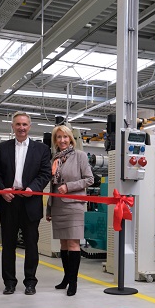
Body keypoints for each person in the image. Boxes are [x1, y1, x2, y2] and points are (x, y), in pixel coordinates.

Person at [0, 112, 51, 295]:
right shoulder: (2, 148)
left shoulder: (41, 149)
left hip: (30, 201)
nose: (21, 128)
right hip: (8, 201)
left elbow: (45, 173)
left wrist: (32, 188)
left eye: (24, 124)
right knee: (8, 245)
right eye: (18, 124)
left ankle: (30, 282)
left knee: (31, 244)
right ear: (12, 126)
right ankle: (9, 282)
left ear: (30, 126)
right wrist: (3, 190)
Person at [45, 125, 94, 296]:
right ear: (55, 140)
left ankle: (73, 282)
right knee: (63, 244)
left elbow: (90, 179)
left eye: (65, 137)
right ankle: (66, 278)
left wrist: (69, 186)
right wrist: (49, 209)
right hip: (58, 205)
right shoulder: (55, 159)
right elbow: (53, 185)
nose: (62, 140)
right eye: (58, 137)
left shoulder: (79, 156)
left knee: (73, 244)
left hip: (74, 205)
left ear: (71, 139)